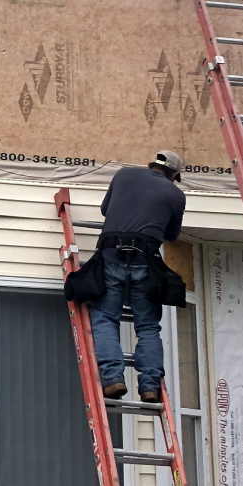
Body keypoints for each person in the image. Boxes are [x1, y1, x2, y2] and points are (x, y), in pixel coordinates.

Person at [87, 151, 186, 402]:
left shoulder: (124, 175)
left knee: (106, 318)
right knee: (148, 326)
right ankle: (150, 386)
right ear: (174, 175)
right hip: (145, 261)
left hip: (111, 254)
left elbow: (105, 209)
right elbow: (171, 235)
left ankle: (112, 379)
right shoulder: (176, 194)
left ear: (150, 165)